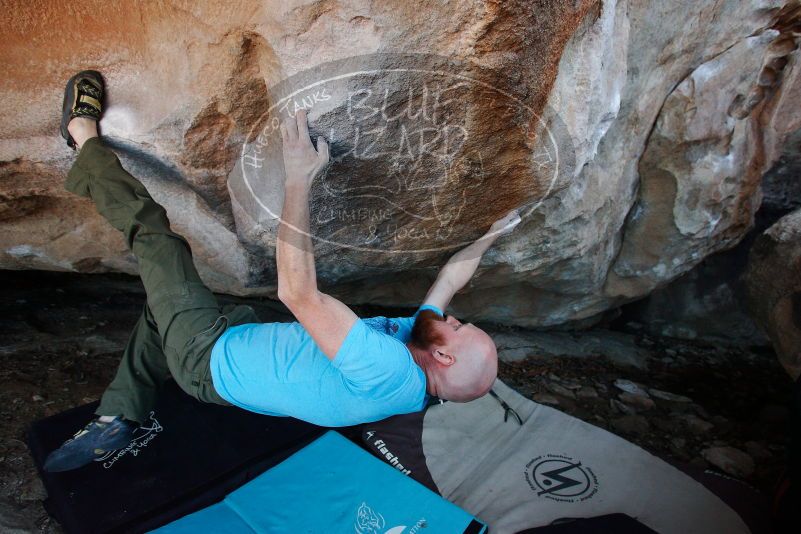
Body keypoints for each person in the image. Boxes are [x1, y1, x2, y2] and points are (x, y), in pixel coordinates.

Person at [44, 71, 521, 472]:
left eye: (459, 328)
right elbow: (449, 281)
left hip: (205, 356)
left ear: (445, 357)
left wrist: (298, 177)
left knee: (157, 239)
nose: (452, 319)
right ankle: (119, 416)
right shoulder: (421, 352)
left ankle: (82, 135)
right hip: (234, 343)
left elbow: (297, 293)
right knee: (163, 309)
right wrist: (492, 234)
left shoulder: (388, 371)